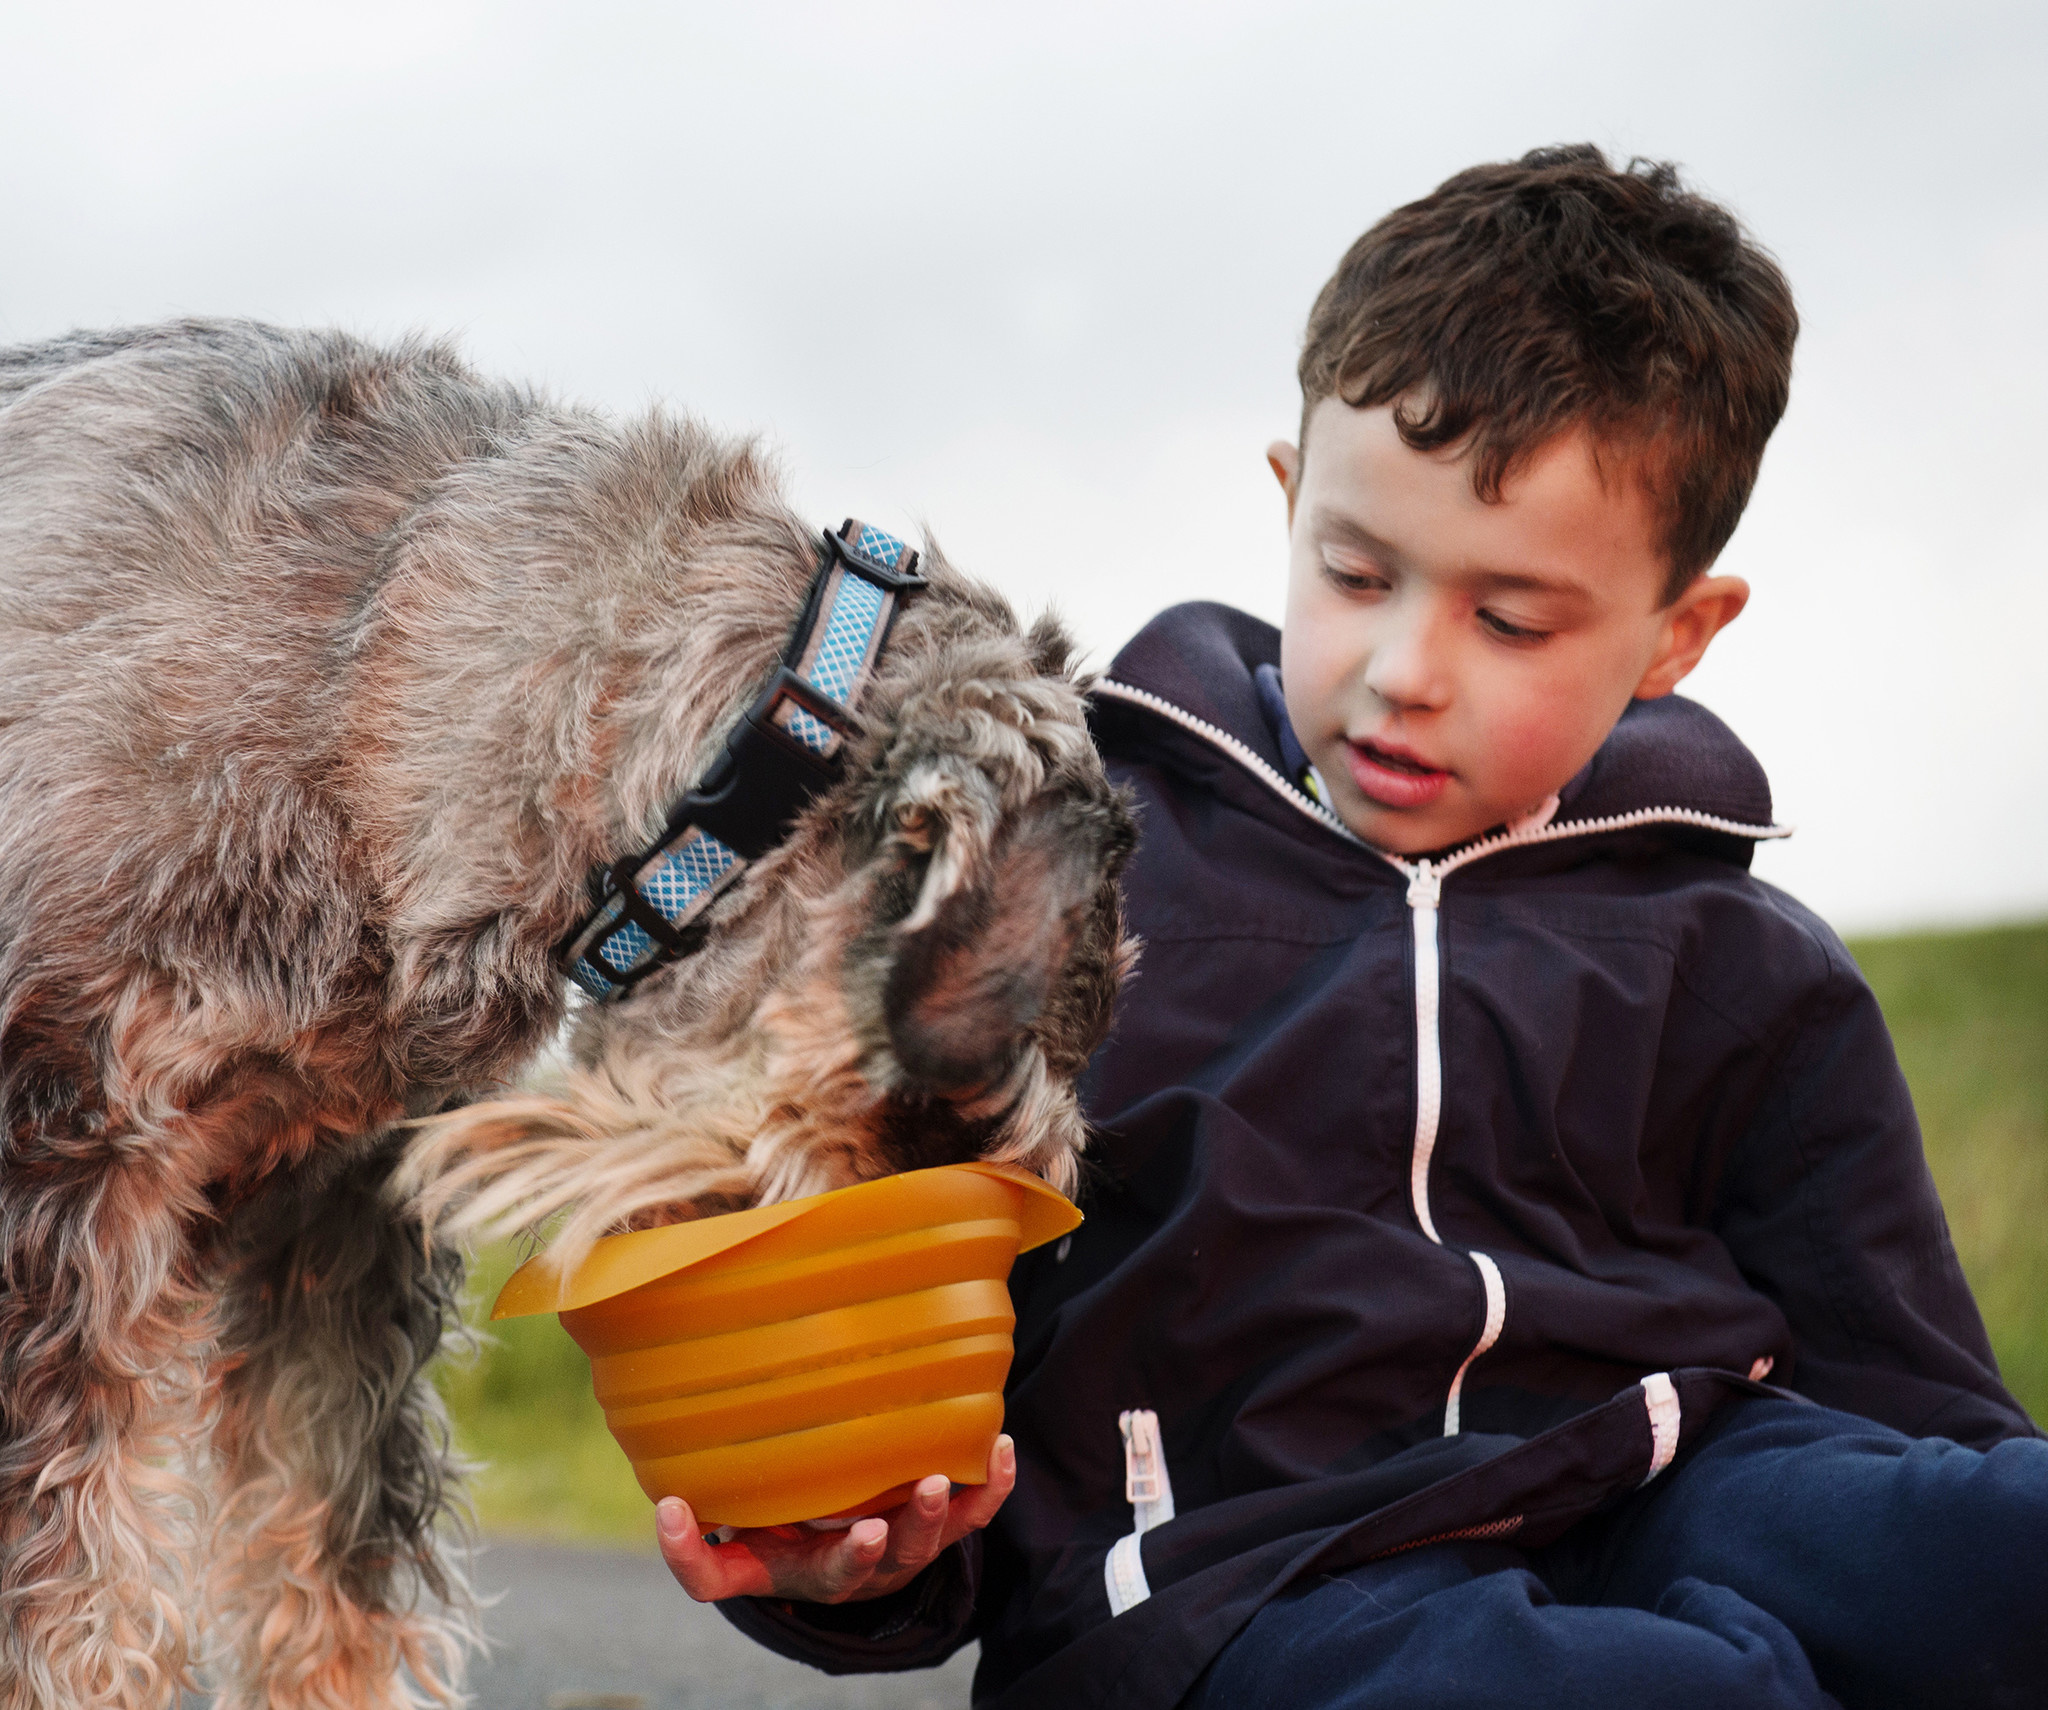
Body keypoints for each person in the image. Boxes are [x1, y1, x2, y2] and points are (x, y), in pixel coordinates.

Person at [655, 145, 2048, 1708]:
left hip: (1681, 1483)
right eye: (1356, 570)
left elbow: (1921, 1411)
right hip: (1255, 1580)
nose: (1403, 667)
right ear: (1289, 498)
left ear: (1678, 633)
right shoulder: (1077, 888)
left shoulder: (1738, 965)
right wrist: (858, 1562)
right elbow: (938, 1463)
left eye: (1508, 619)